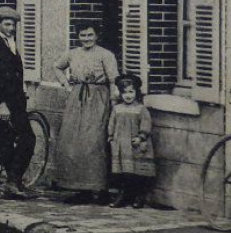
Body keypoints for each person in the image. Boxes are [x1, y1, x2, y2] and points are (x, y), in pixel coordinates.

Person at [53, 23, 119, 204]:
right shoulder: (73, 53)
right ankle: (80, 188)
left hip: (98, 98)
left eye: (90, 35)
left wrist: (113, 102)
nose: (87, 39)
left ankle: (99, 188)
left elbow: (113, 80)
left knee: (95, 141)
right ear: (78, 36)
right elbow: (57, 67)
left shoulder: (106, 55)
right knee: (74, 141)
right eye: (83, 35)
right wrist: (66, 86)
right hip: (77, 98)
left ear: (97, 36)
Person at [0, 6, 36, 199]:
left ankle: (13, 181)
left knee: (17, 139)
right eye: (7, 24)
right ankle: (13, 181)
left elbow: (14, 73)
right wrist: (1, 103)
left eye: (14, 25)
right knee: (20, 139)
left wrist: (23, 91)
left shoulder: (10, 42)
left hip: (14, 99)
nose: (11, 28)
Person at [108, 73, 156, 208]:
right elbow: (111, 124)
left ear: (136, 92)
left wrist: (140, 137)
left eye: (131, 92)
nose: (128, 95)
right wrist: (111, 137)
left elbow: (146, 124)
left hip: (135, 144)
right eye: (124, 93)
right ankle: (123, 196)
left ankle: (139, 197)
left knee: (137, 172)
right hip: (121, 145)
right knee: (124, 172)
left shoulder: (141, 109)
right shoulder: (117, 109)